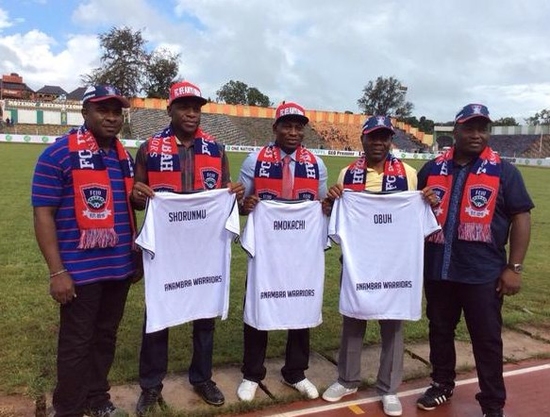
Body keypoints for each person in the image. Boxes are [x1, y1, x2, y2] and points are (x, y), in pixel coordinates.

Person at [130, 80, 244, 415]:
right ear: (170, 109)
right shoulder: (150, 149)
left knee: (205, 314)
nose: (191, 113)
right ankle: (151, 385)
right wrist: (137, 194)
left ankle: (202, 377)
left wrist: (233, 193)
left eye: (196, 107)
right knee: (158, 312)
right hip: (165, 249)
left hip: (204, 249)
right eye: (184, 107)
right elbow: (136, 199)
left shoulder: (216, 149)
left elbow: (224, 193)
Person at [416, 104, 533, 417]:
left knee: (486, 339)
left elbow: (521, 217)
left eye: (483, 129)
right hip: (439, 268)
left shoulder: (505, 172)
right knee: (440, 330)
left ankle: (492, 403)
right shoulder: (431, 170)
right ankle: (442, 384)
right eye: (470, 128)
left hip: (483, 273)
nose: (477, 135)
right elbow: (413, 212)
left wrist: (514, 267)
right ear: (455, 131)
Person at [32, 85, 138, 417]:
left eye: (117, 112)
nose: (111, 118)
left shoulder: (123, 156)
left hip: (118, 268)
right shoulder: (58, 154)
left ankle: (97, 397)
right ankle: (68, 408)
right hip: (79, 272)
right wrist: (57, 272)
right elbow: (43, 214)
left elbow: (128, 207)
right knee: (76, 343)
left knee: (105, 337)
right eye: (103, 110)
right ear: (85, 113)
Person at [320, 115, 423, 417]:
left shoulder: (409, 174)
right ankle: (347, 380)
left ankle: (389, 388)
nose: (379, 142)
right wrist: (331, 203)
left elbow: (416, 215)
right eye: (373, 137)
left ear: (391, 141)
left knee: (393, 325)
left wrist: (427, 200)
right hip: (358, 262)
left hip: (394, 264)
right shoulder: (347, 173)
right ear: (362, 139)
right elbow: (336, 217)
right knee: (354, 318)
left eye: (384, 137)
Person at [236, 101, 328, 402]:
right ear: (275, 128)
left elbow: (321, 207)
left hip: (301, 252)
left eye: (298, 127)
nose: (293, 132)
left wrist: (329, 205)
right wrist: (246, 205)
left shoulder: (316, 164)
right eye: (287, 126)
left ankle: (296, 372)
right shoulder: (255, 160)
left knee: (301, 303)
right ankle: (252, 374)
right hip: (266, 250)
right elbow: (239, 203)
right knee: (258, 303)